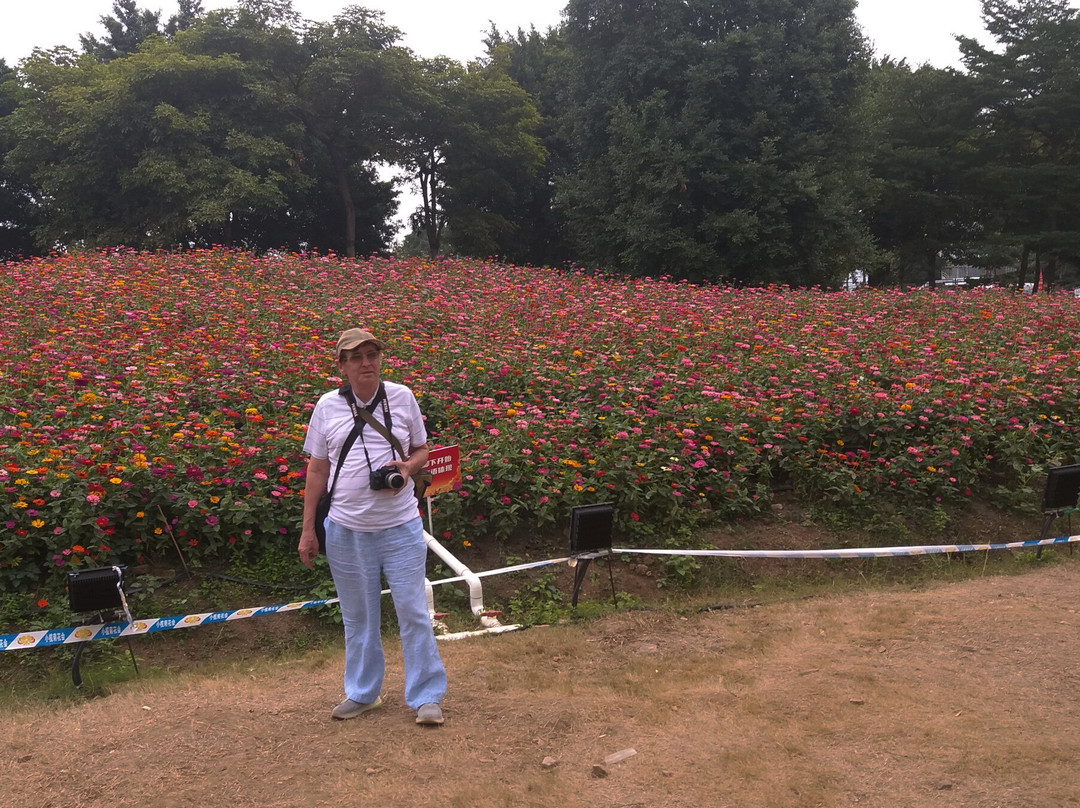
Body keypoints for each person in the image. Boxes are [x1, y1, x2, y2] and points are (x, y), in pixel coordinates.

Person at [298, 328, 447, 725]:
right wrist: (308, 529)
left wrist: (409, 467)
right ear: (342, 365)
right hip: (345, 531)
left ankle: (427, 696)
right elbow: (316, 469)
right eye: (356, 357)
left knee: (413, 611)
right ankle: (363, 693)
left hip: (400, 527)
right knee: (358, 616)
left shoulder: (402, 397)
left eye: (372, 354)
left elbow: (422, 449)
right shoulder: (326, 406)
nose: (366, 362)